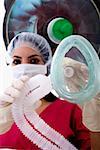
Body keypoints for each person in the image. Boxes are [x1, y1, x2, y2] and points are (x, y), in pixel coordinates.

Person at [0, 32, 92, 149]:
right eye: (17, 62)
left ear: (47, 66)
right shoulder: (3, 116)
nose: (24, 68)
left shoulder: (70, 110)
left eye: (33, 61)